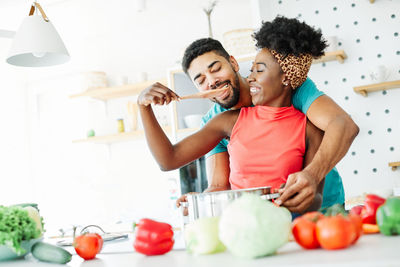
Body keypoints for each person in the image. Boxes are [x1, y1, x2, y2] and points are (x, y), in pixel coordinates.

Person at [138, 16, 350, 213]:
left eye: (215, 68)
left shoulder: (297, 92)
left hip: (321, 208)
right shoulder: (221, 121)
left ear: (233, 63)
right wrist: (201, 202)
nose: (211, 81)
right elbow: (217, 185)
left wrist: (310, 178)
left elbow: (343, 124)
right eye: (200, 80)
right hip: (258, 219)